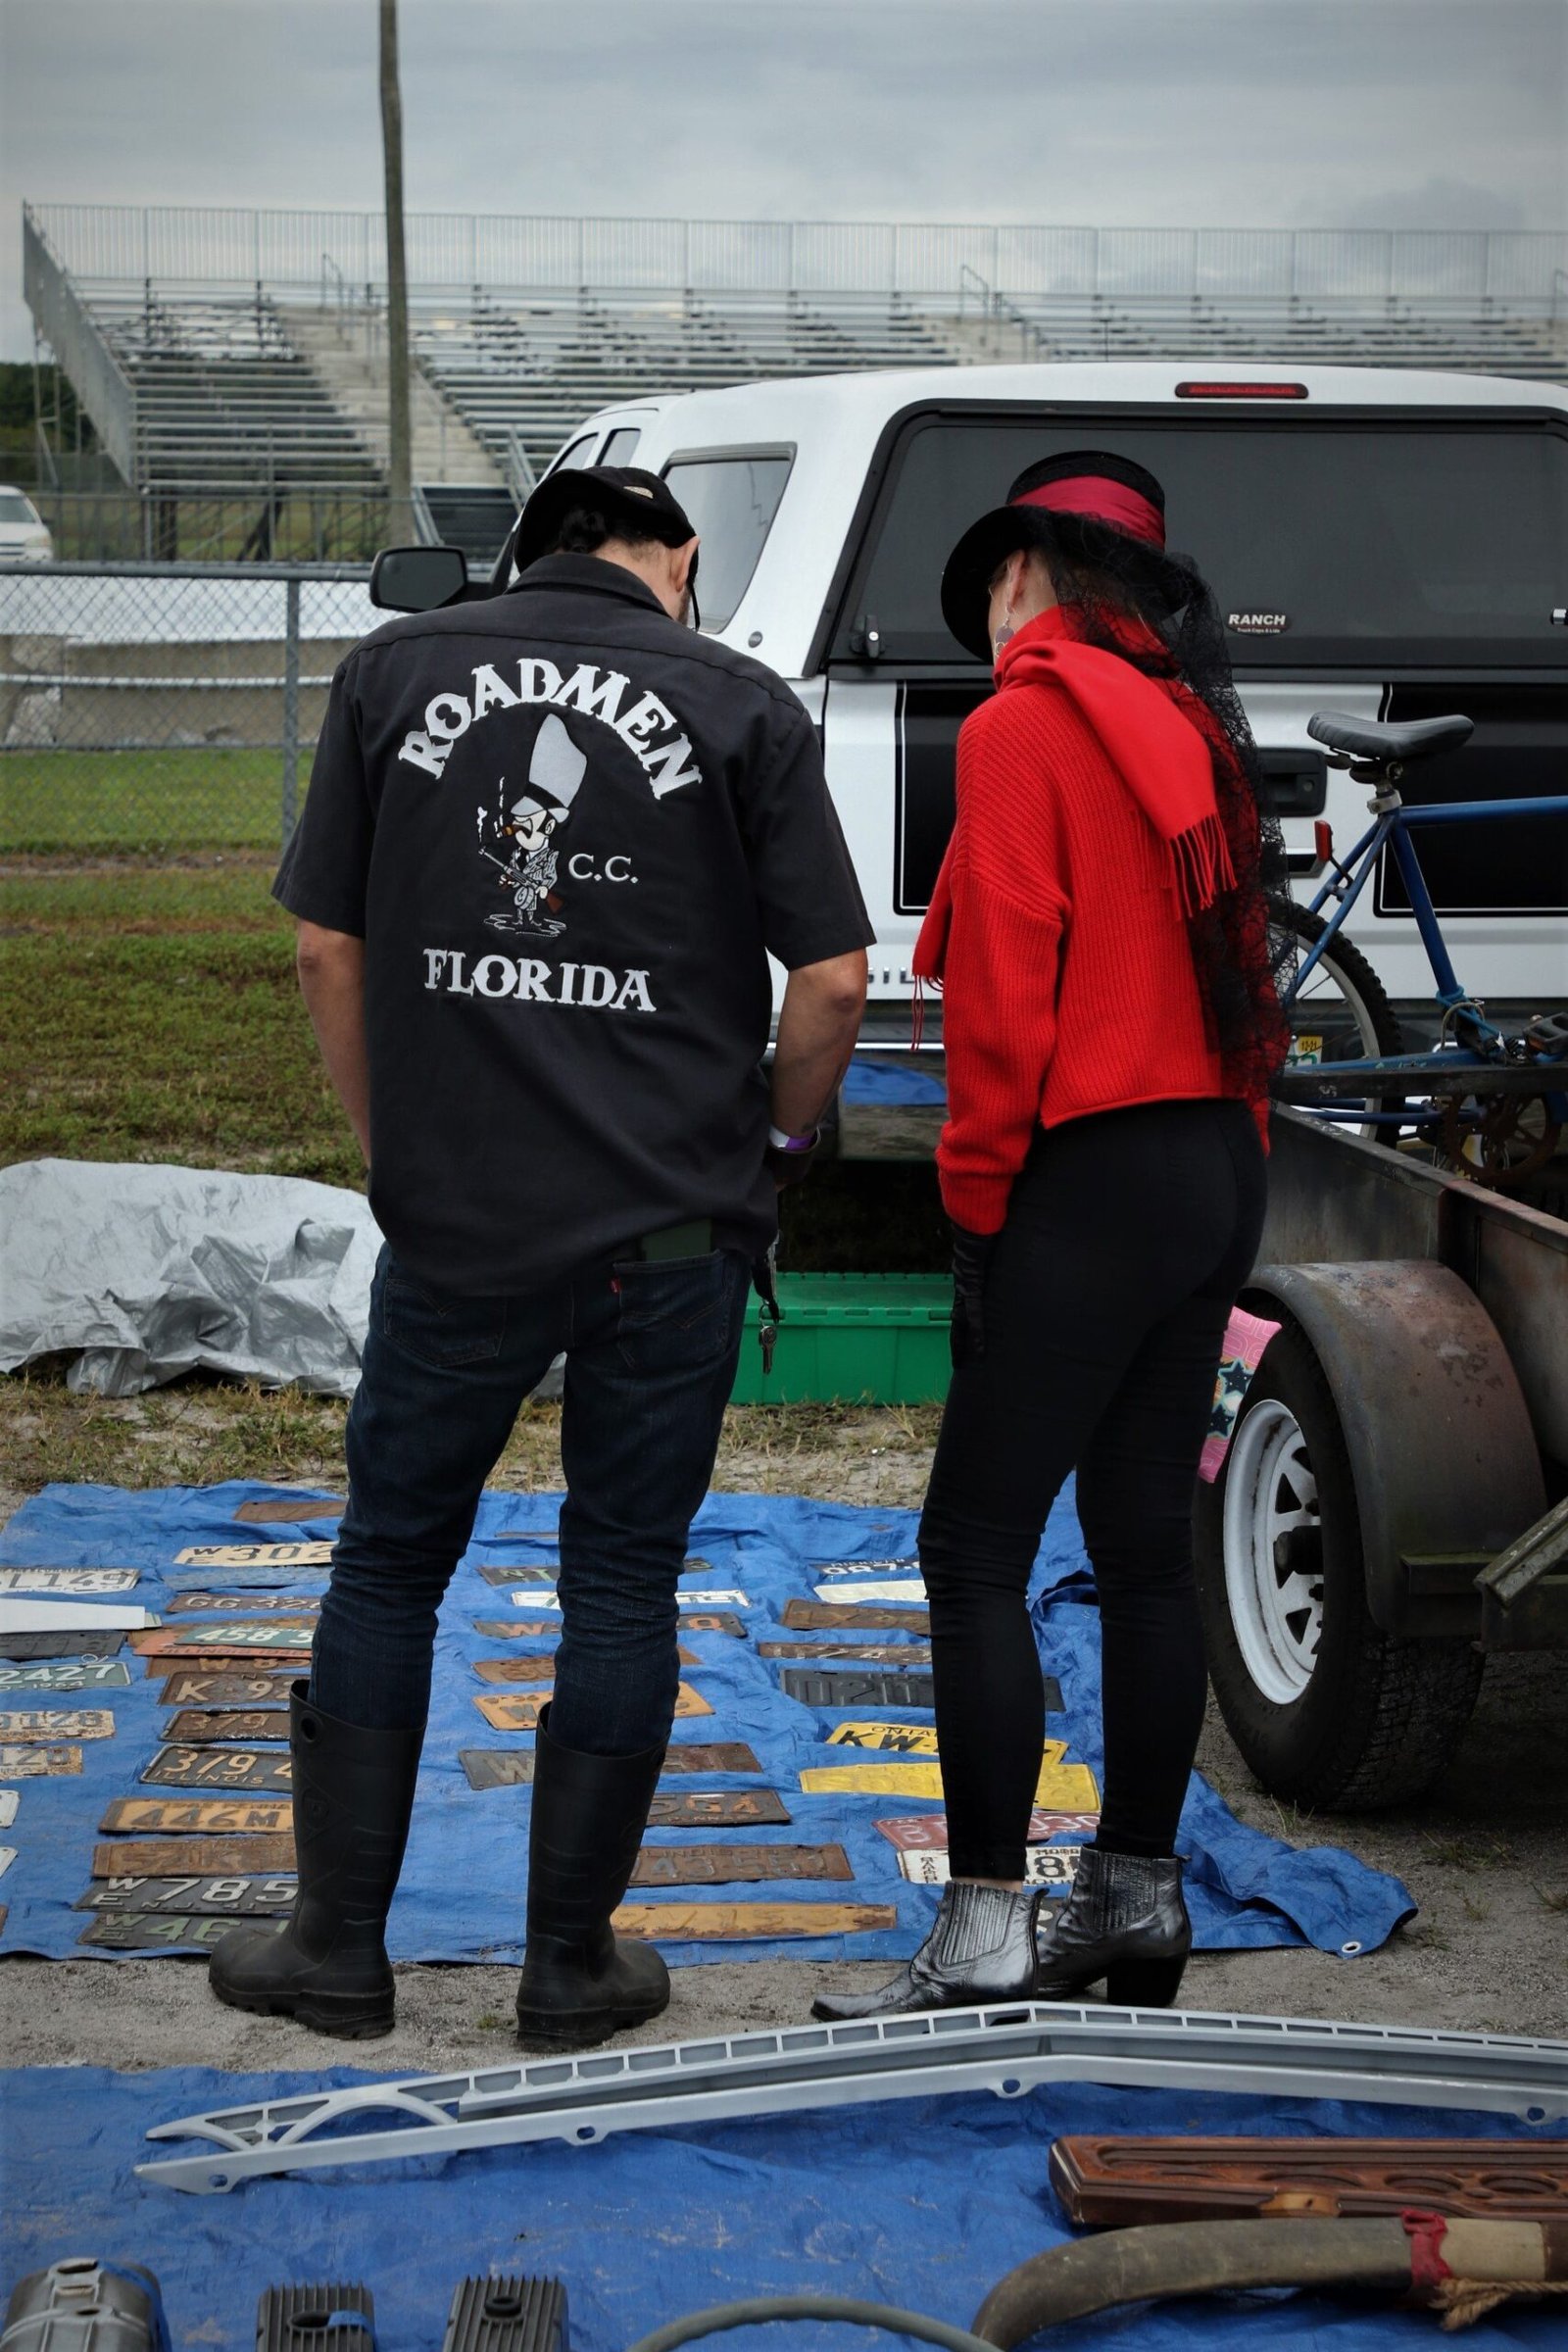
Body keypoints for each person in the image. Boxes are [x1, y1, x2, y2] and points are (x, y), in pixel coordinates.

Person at [210, 464, 871, 2047]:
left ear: (525, 555)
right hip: (669, 1227)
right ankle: (568, 1968)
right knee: (623, 1578)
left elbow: (322, 946)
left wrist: (392, 1149)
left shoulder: (391, 672)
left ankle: (338, 1951)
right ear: (678, 560)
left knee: (391, 1559)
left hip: (464, 1221)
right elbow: (836, 983)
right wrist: (776, 1154)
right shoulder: (740, 701)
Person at [813, 452, 1290, 2023]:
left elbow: (1008, 1000)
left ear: (1028, 574)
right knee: (1144, 1549)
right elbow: (1253, 984)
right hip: (1214, 1162)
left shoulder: (1021, 725)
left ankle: (986, 1930)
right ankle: (1138, 1903)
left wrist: (975, 1208)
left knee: (974, 1548)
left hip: (1089, 1174)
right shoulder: (1200, 731)